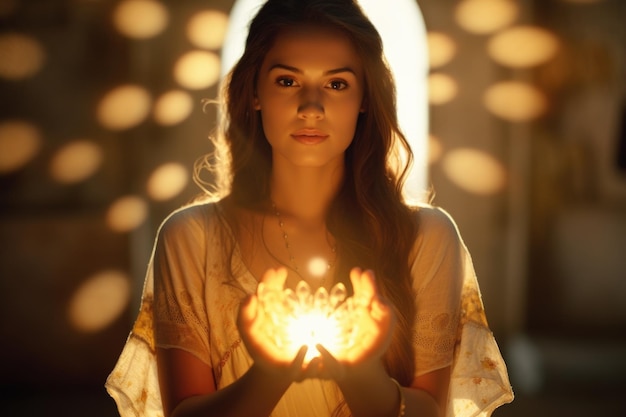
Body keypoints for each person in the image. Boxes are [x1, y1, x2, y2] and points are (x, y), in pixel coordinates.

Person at [106, 1, 514, 416]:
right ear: (254, 93)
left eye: (336, 85)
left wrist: (359, 372)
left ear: (365, 99)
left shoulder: (425, 237)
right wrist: (269, 374)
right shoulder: (191, 238)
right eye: (287, 81)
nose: (311, 107)